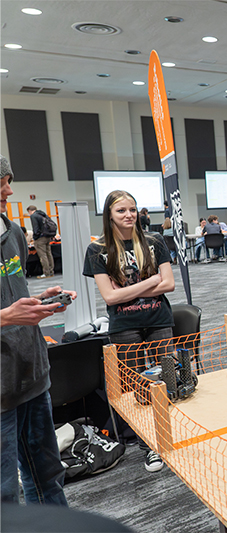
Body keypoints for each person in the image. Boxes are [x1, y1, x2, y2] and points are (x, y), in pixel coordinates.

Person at [83, 189, 175, 472]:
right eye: (121, 210)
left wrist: (127, 291)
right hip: (124, 327)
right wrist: (150, 283)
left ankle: (172, 438)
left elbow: (169, 283)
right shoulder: (97, 250)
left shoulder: (154, 241)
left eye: (132, 209)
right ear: (109, 214)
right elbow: (110, 298)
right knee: (138, 390)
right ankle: (150, 448)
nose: (129, 215)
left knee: (168, 383)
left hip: (159, 320)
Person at [1, 154, 73, 506]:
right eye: (1, 182)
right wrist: (5, 317)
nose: (9, 190)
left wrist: (39, 300)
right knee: (5, 495)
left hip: (32, 374)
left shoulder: (13, 232)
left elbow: (13, 292)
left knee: (48, 478)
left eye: (8, 180)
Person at [27, 205, 56, 279]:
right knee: (49, 253)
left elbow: (36, 228)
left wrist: (35, 238)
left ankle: (46, 273)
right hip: (47, 236)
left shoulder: (33, 216)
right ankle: (51, 271)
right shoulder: (42, 214)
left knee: (43, 255)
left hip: (40, 238)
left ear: (30, 211)